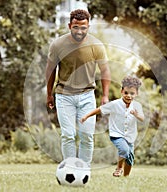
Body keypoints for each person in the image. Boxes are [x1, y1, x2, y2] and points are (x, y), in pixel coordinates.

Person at [45, 9, 111, 165]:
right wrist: (49, 94)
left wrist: (105, 95)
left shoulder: (96, 45)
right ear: (69, 26)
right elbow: (50, 70)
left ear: (88, 27)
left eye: (83, 27)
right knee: (68, 134)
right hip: (64, 95)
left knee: (87, 135)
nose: (79, 31)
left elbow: (105, 70)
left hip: (87, 95)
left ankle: (83, 169)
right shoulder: (58, 45)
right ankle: (69, 167)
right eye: (76, 27)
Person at [80, 76, 144, 177]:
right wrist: (86, 116)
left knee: (130, 157)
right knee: (124, 150)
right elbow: (100, 109)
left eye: (132, 93)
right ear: (122, 91)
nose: (129, 96)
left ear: (136, 93)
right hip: (117, 134)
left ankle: (125, 176)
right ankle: (119, 168)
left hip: (130, 136)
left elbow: (142, 118)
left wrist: (136, 115)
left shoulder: (137, 106)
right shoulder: (115, 104)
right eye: (126, 93)